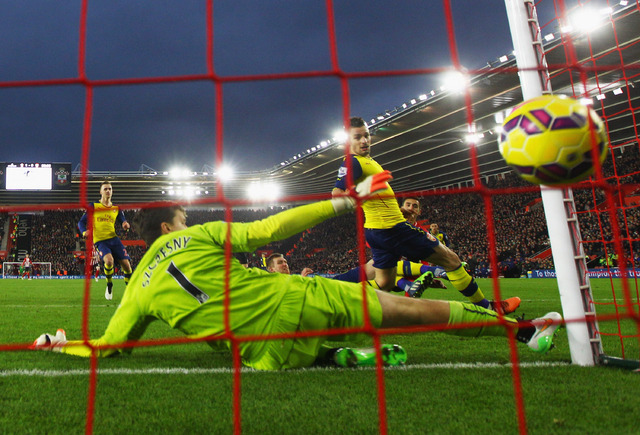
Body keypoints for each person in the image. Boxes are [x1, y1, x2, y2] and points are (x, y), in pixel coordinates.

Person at [32, 172, 562, 370]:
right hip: (300, 298)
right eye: (182, 214)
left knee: (252, 342)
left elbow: (109, 348)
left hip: (263, 357)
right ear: (171, 224)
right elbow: (267, 231)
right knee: (411, 310)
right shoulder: (197, 235)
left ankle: (336, 357)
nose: (187, 217)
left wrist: (60, 343)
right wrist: (340, 203)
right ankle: (524, 333)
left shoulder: (138, 291)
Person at [332, 117, 520, 314]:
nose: (364, 140)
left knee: (384, 283)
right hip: (393, 229)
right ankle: (489, 308)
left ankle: (336, 296)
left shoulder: (366, 161)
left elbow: (375, 197)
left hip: (378, 230)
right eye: (357, 137)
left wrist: (398, 210)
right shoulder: (353, 162)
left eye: (366, 135)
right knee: (452, 260)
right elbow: (337, 195)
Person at [78, 181, 133, 301]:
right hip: (100, 241)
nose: (108, 191)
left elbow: (123, 221)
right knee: (109, 261)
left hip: (114, 239)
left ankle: (130, 293)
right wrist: (84, 232)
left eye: (110, 189)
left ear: (112, 191)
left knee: (127, 267)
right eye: (105, 189)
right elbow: (81, 222)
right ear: (101, 192)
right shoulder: (93, 206)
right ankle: (109, 284)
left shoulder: (116, 208)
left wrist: (125, 225)